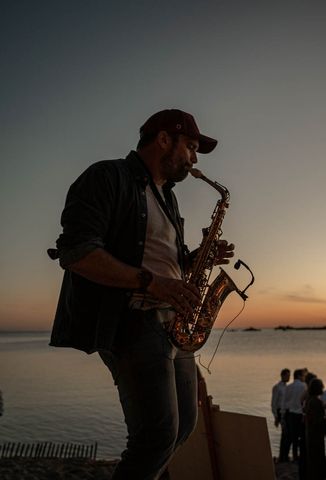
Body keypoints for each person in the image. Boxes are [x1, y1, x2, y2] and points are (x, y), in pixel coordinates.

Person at [49, 109, 234, 480]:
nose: (195, 160)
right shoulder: (107, 176)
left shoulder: (168, 196)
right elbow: (77, 253)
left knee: (182, 429)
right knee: (156, 435)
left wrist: (198, 258)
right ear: (164, 139)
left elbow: (161, 258)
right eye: (192, 147)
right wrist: (154, 284)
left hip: (173, 323)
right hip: (133, 318)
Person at [304, 378, 326, 480]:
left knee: (312, 454)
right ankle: (318, 474)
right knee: (318, 453)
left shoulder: (309, 400)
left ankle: (313, 473)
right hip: (317, 432)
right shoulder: (317, 401)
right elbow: (318, 420)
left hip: (310, 431)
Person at [284, 369, 307, 463]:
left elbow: (285, 401)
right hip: (300, 414)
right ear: (299, 376)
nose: (304, 377)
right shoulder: (304, 386)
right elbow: (304, 401)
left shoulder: (289, 387)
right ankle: (301, 455)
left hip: (291, 414)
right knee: (301, 436)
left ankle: (294, 455)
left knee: (293, 436)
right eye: (303, 376)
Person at [273, 368, 291, 462]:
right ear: (283, 375)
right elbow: (274, 403)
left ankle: (284, 455)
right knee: (285, 433)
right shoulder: (277, 387)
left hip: (286, 411)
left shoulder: (287, 387)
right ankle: (282, 456)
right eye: (287, 375)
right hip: (280, 412)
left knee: (286, 434)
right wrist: (276, 416)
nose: (289, 377)